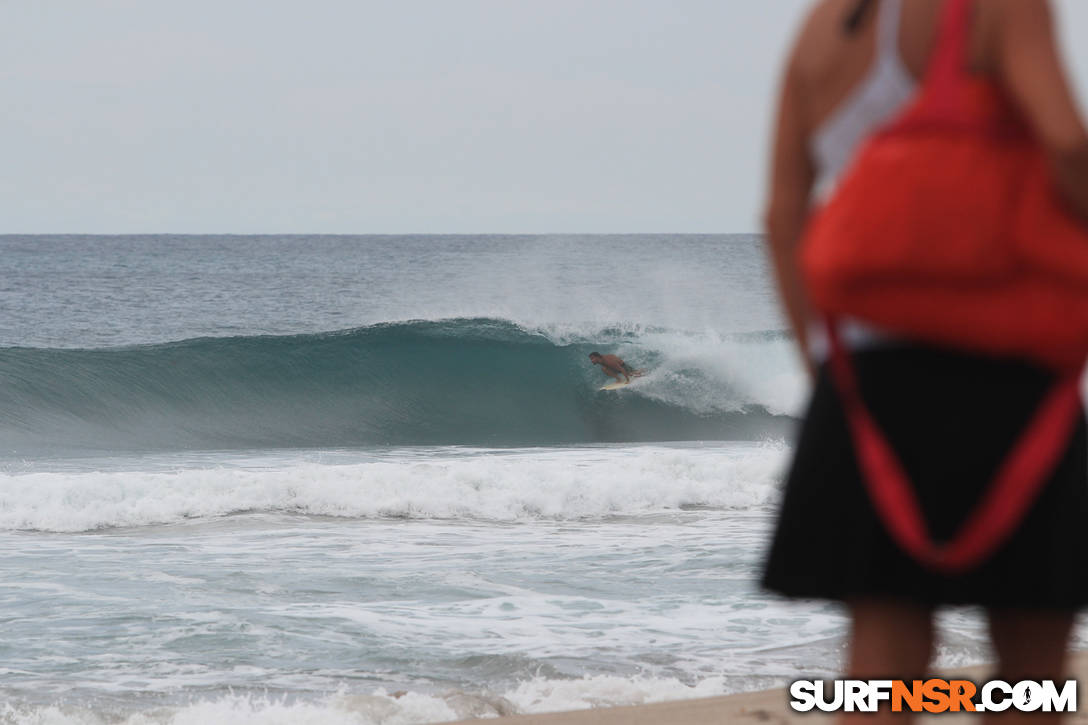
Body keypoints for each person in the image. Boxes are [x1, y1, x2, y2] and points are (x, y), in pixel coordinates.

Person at [762, 0, 1088, 721]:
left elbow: (784, 216)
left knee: (882, 663)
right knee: (1030, 668)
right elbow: (1066, 142)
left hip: (868, 381)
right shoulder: (1002, 8)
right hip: (1008, 376)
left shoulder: (820, 31)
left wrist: (827, 366)